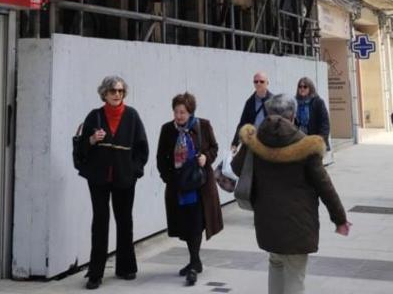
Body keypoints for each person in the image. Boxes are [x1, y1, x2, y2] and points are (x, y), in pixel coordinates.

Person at [232, 94, 350, 294]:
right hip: (298, 226)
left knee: (275, 263)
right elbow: (324, 186)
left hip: (268, 223)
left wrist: (248, 144)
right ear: (293, 115)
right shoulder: (306, 145)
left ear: (269, 114)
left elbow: (237, 169)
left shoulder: (256, 141)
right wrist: (340, 219)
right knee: (295, 275)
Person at [76, 76, 149, 290]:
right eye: (112, 91)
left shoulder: (132, 116)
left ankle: (126, 267)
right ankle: (96, 273)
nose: (117, 94)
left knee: (124, 221)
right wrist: (92, 140)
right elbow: (81, 147)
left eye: (120, 91)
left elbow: (142, 147)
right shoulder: (94, 116)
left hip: (125, 177)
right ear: (104, 94)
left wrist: (134, 171)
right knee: (100, 222)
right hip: (98, 178)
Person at [157, 93, 224, 286]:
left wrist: (206, 158)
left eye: (183, 112)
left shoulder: (203, 125)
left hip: (199, 185)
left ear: (190, 112)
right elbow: (161, 157)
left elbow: (214, 147)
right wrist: (168, 178)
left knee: (196, 223)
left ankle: (194, 265)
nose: (179, 116)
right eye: (176, 112)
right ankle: (195, 261)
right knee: (185, 224)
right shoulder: (167, 129)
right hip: (178, 186)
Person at [231, 71, 273, 153]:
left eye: (261, 81)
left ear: (267, 83)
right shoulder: (250, 102)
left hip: (269, 143)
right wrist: (235, 144)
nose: (258, 84)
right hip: (253, 142)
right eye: (256, 81)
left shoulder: (274, 100)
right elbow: (242, 124)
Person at [294, 77, 331, 150]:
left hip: (314, 141)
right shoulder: (294, 102)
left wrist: (320, 140)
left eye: (305, 87)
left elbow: (324, 123)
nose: (302, 89)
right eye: (300, 86)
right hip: (299, 140)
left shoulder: (318, 102)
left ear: (310, 88)